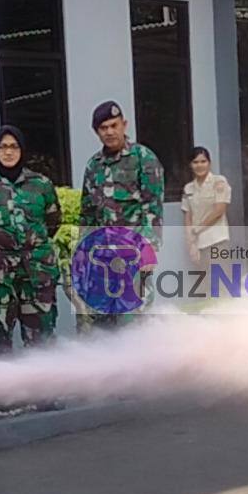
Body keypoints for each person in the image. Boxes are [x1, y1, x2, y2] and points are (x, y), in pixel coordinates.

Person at [0, 126, 60, 355]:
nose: (8, 152)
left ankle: (42, 390)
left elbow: (52, 222)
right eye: (2, 147)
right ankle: (0, 391)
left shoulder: (40, 184)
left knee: (41, 341)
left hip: (36, 273)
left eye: (13, 147)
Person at [79, 100, 164, 327]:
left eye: (113, 125)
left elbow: (152, 209)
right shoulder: (93, 166)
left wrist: (149, 248)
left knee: (135, 320)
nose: (109, 132)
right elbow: (87, 213)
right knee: (102, 323)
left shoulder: (143, 159)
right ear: (97, 132)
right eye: (103, 128)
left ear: (124, 125)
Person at [181, 146, 232, 267]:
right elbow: (188, 217)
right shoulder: (188, 188)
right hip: (198, 244)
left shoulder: (219, 182)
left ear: (209, 163)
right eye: (195, 162)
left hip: (217, 241)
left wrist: (198, 229)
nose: (199, 165)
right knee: (203, 284)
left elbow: (219, 210)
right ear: (190, 165)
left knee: (220, 282)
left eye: (203, 161)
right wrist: (191, 244)